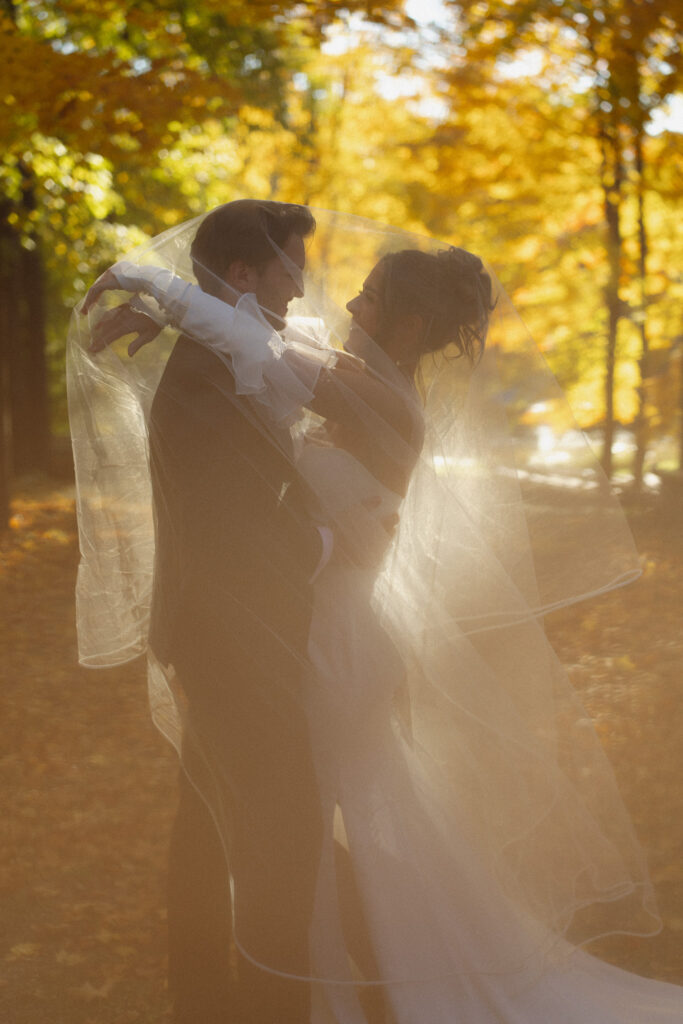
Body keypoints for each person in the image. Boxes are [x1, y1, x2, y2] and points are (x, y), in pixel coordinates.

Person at [72, 204, 683, 1023]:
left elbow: (252, 344)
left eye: (366, 298)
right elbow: (246, 349)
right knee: (292, 813)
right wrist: (160, 307)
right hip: (310, 629)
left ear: (409, 324)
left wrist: (149, 280)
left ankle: (362, 986)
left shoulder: (387, 406)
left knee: (287, 817)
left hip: (336, 646)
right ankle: (361, 980)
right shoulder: (360, 381)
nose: (347, 306)